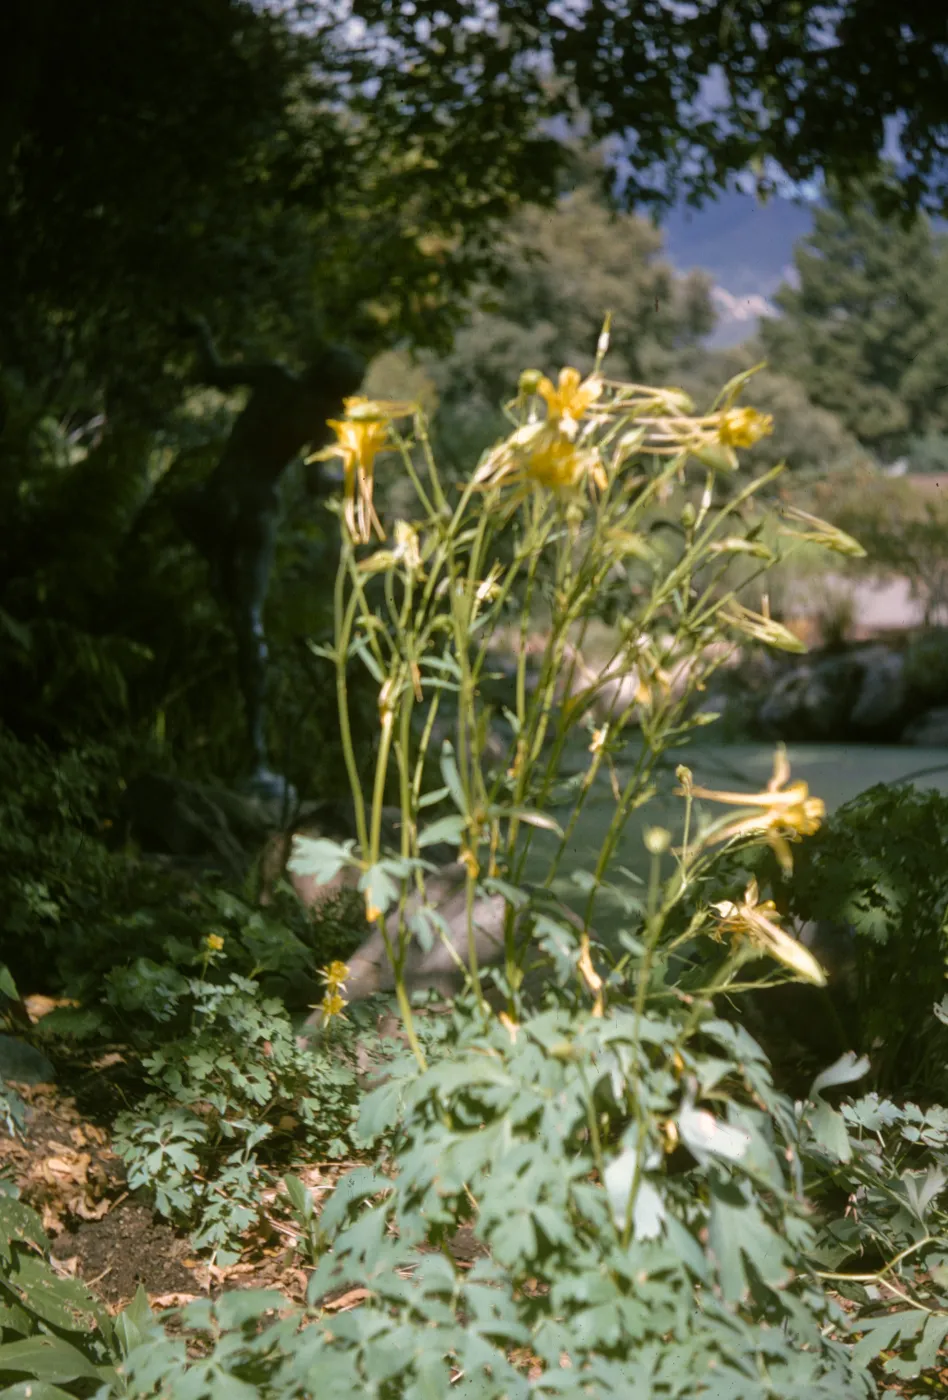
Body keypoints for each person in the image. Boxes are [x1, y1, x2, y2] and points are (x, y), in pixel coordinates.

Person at [172, 317, 366, 801]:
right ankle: (255, 752)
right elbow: (316, 482)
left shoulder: (273, 378)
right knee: (250, 621)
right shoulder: (320, 418)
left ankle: (218, 572)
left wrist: (201, 334)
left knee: (187, 516)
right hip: (258, 509)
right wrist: (355, 480)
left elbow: (213, 374)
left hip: (220, 496)